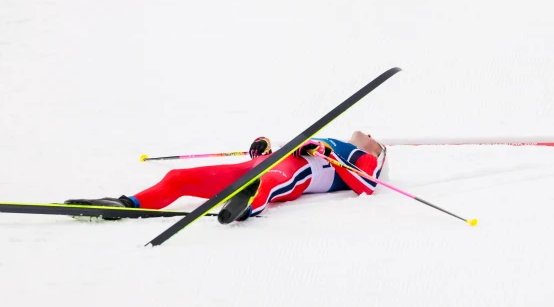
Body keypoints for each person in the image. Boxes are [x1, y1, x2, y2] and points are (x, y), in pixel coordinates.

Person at [65, 131, 386, 224]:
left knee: (267, 181)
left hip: (295, 173)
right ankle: (127, 204)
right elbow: (272, 152)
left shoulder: (361, 155)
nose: (367, 135)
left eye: (373, 138)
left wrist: (331, 156)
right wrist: (261, 147)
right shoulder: (333, 140)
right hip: (263, 163)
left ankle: (246, 205)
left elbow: (367, 185)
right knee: (178, 177)